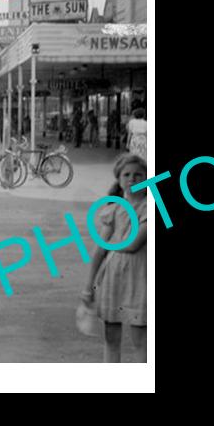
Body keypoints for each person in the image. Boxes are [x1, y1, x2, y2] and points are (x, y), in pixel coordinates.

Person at [82, 153, 148, 362]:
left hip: (142, 277)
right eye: (126, 174)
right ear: (118, 180)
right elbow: (98, 252)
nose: (132, 179)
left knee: (141, 339)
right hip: (113, 278)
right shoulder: (113, 209)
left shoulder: (150, 207)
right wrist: (88, 286)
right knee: (111, 338)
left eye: (138, 175)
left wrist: (108, 245)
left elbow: (133, 244)